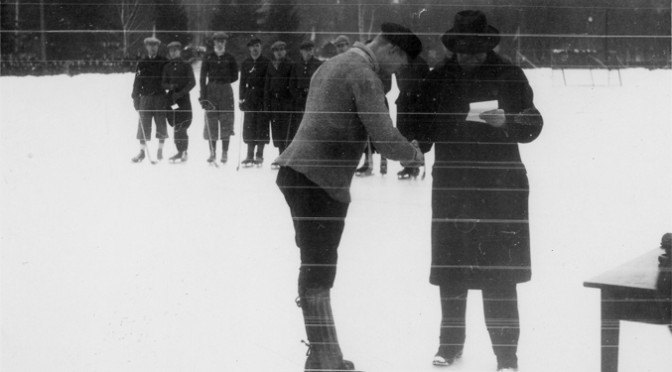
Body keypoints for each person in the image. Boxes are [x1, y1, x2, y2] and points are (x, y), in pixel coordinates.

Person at [275, 23, 424, 371]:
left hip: (297, 174)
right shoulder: (364, 75)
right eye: (401, 64)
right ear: (392, 51)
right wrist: (413, 154)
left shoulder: (332, 63)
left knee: (314, 263)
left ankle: (322, 355)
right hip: (319, 182)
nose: (398, 71)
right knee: (319, 268)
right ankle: (326, 360)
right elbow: (385, 138)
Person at [417, 10, 543, 372]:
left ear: (488, 46)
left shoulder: (509, 74)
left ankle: (506, 358)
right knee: (452, 272)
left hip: (500, 189)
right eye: (463, 50)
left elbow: (533, 122)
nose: (469, 56)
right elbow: (422, 128)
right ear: (453, 47)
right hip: (453, 187)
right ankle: (450, 346)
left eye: (476, 50)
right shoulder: (438, 77)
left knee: (499, 275)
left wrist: (510, 121)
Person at [199, 32, 238, 164]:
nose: (220, 43)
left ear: (225, 42)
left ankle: (225, 153)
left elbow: (235, 76)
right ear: (214, 42)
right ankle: (212, 152)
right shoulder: (208, 57)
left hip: (226, 91)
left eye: (222, 41)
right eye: (217, 41)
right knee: (212, 121)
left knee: (226, 121)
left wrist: (224, 81)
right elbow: (202, 77)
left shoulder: (230, 57)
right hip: (211, 91)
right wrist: (203, 96)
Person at [131, 36, 169, 163]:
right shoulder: (141, 63)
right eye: (150, 45)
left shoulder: (164, 62)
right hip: (145, 98)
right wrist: (135, 98)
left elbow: (170, 80)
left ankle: (160, 150)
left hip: (160, 98)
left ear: (158, 47)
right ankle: (142, 152)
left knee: (161, 124)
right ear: (146, 47)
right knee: (143, 125)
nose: (152, 48)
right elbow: (137, 82)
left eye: (155, 46)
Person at [395, 54, 429, 179]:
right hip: (404, 102)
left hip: (417, 102)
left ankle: (416, 165)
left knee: (415, 134)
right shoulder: (401, 62)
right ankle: (407, 165)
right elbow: (399, 81)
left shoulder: (421, 63)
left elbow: (426, 83)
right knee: (404, 134)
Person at [239, 36, 271, 167]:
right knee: (249, 125)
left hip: (263, 97)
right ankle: (249, 155)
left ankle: (259, 155)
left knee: (261, 125)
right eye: (252, 47)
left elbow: (269, 82)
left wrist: (267, 99)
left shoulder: (267, 62)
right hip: (250, 97)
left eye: (257, 46)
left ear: (261, 47)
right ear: (249, 49)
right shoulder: (246, 63)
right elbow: (242, 83)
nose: (254, 49)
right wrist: (241, 99)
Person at [162, 41, 196, 163]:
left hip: (184, 100)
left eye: (176, 50)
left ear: (180, 51)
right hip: (172, 100)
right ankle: (179, 151)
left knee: (183, 126)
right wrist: (170, 87)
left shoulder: (186, 65)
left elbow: (192, 82)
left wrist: (181, 93)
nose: (173, 52)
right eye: (171, 50)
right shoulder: (167, 67)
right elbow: (163, 83)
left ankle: (184, 151)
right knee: (176, 126)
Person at [287, 40, 322, 146]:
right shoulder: (296, 65)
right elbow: (292, 84)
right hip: (299, 101)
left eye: (310, 50)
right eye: (306, 50)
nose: (308, 53)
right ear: (301, 51)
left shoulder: (318, 64)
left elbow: (321, 83)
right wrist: (298, 97)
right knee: (298, 128)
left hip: (313, 101)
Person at [264, 40, 293, 166]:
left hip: (286, 101)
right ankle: (281, 154)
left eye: (281, 49)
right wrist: (267, 103)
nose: (279, 53)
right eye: (276, 50)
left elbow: (292, 85)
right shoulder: (271, 65)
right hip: (274, 102)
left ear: (285, 51)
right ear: (273, 53)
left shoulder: (291, 64)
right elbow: (267, 85)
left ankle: (287, 156)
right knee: (277, 129)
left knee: (287, 128)